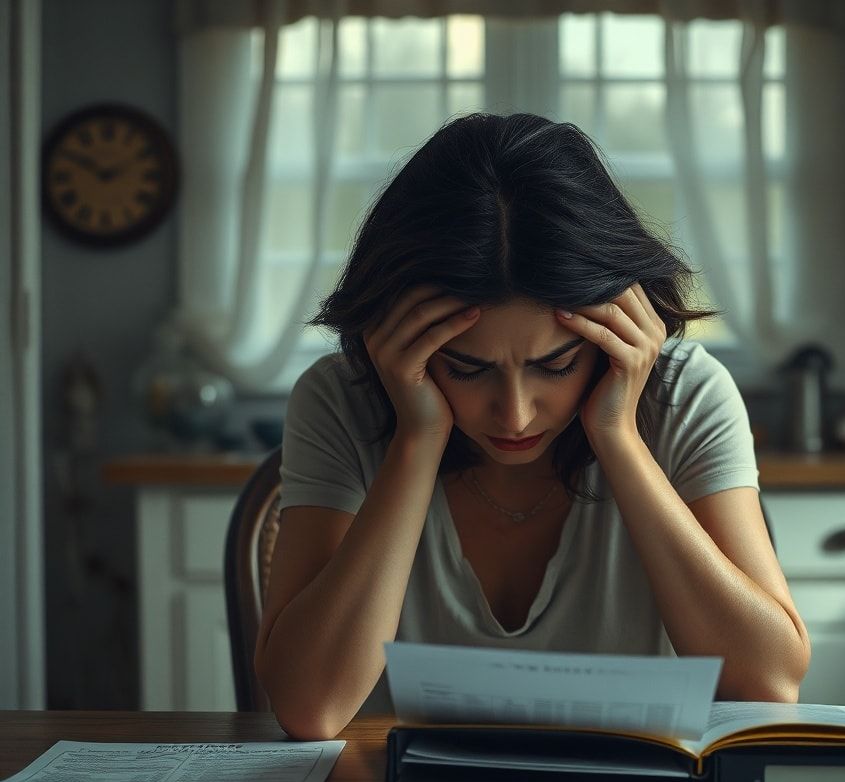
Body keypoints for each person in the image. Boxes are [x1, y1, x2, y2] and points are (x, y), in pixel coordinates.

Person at [255, 112, 810, 740]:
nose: (515, 413)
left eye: (555, 365)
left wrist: (619, 438)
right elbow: (310, 709)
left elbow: (767, 687)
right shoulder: (341, 400)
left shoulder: (684, 394)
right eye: (467, 369)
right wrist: (416, 441)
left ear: (611, 336)